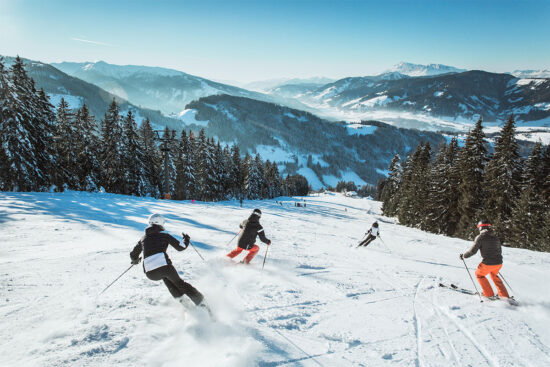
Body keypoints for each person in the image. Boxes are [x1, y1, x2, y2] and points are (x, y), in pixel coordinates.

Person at [130, 214, 207, 308]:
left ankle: (186, 305)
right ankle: (203, 304)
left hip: (150, 273)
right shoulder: (164, 236)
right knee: (180, 284)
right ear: (161, 223)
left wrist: (136, 260)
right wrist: (186, 240)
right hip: (164, 267)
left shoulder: (143, 239)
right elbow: (180, 247)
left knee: (167, 279)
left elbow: (133, 254)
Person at [460, 220, 509, 299]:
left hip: (488, 263)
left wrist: (464, 256)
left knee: (479, 275)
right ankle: (505, 296)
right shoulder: (495, 237)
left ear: (480, 228)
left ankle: (488, 294)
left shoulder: (480, 237)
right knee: (494, 275)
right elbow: (499, 250)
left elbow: (473, 251)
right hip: (499, 263)